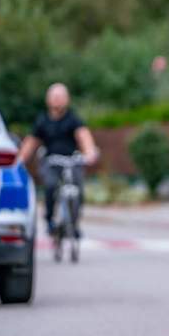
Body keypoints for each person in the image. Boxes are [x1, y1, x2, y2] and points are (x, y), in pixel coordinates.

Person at [17, 84, 99, 235]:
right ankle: (49, 220)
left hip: (71, 161)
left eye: (61, 97)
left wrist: (90, 152)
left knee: (78, 188)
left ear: (67, 99)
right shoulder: (42, 121)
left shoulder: (73, 119)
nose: (57, 100)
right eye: (55, 97)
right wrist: (20, 160)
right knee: (50, 186)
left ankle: (74, 223)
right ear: (48, 100)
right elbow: (31, 142)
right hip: (51, 162)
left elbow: (84, 136)